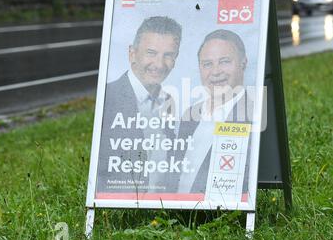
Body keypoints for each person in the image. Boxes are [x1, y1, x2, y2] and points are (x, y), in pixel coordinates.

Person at [96, 16, 182, 195]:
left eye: (168, 55)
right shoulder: (108, 98)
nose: (159, 64)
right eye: (151, 52)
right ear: (132, 53)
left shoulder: (168, 101)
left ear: (176, 58)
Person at [173, 29, 253, 195]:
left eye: (224, 61)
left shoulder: (254, 115)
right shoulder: (190, 115)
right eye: (207, 64)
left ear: (243, 63)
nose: (215, 72)